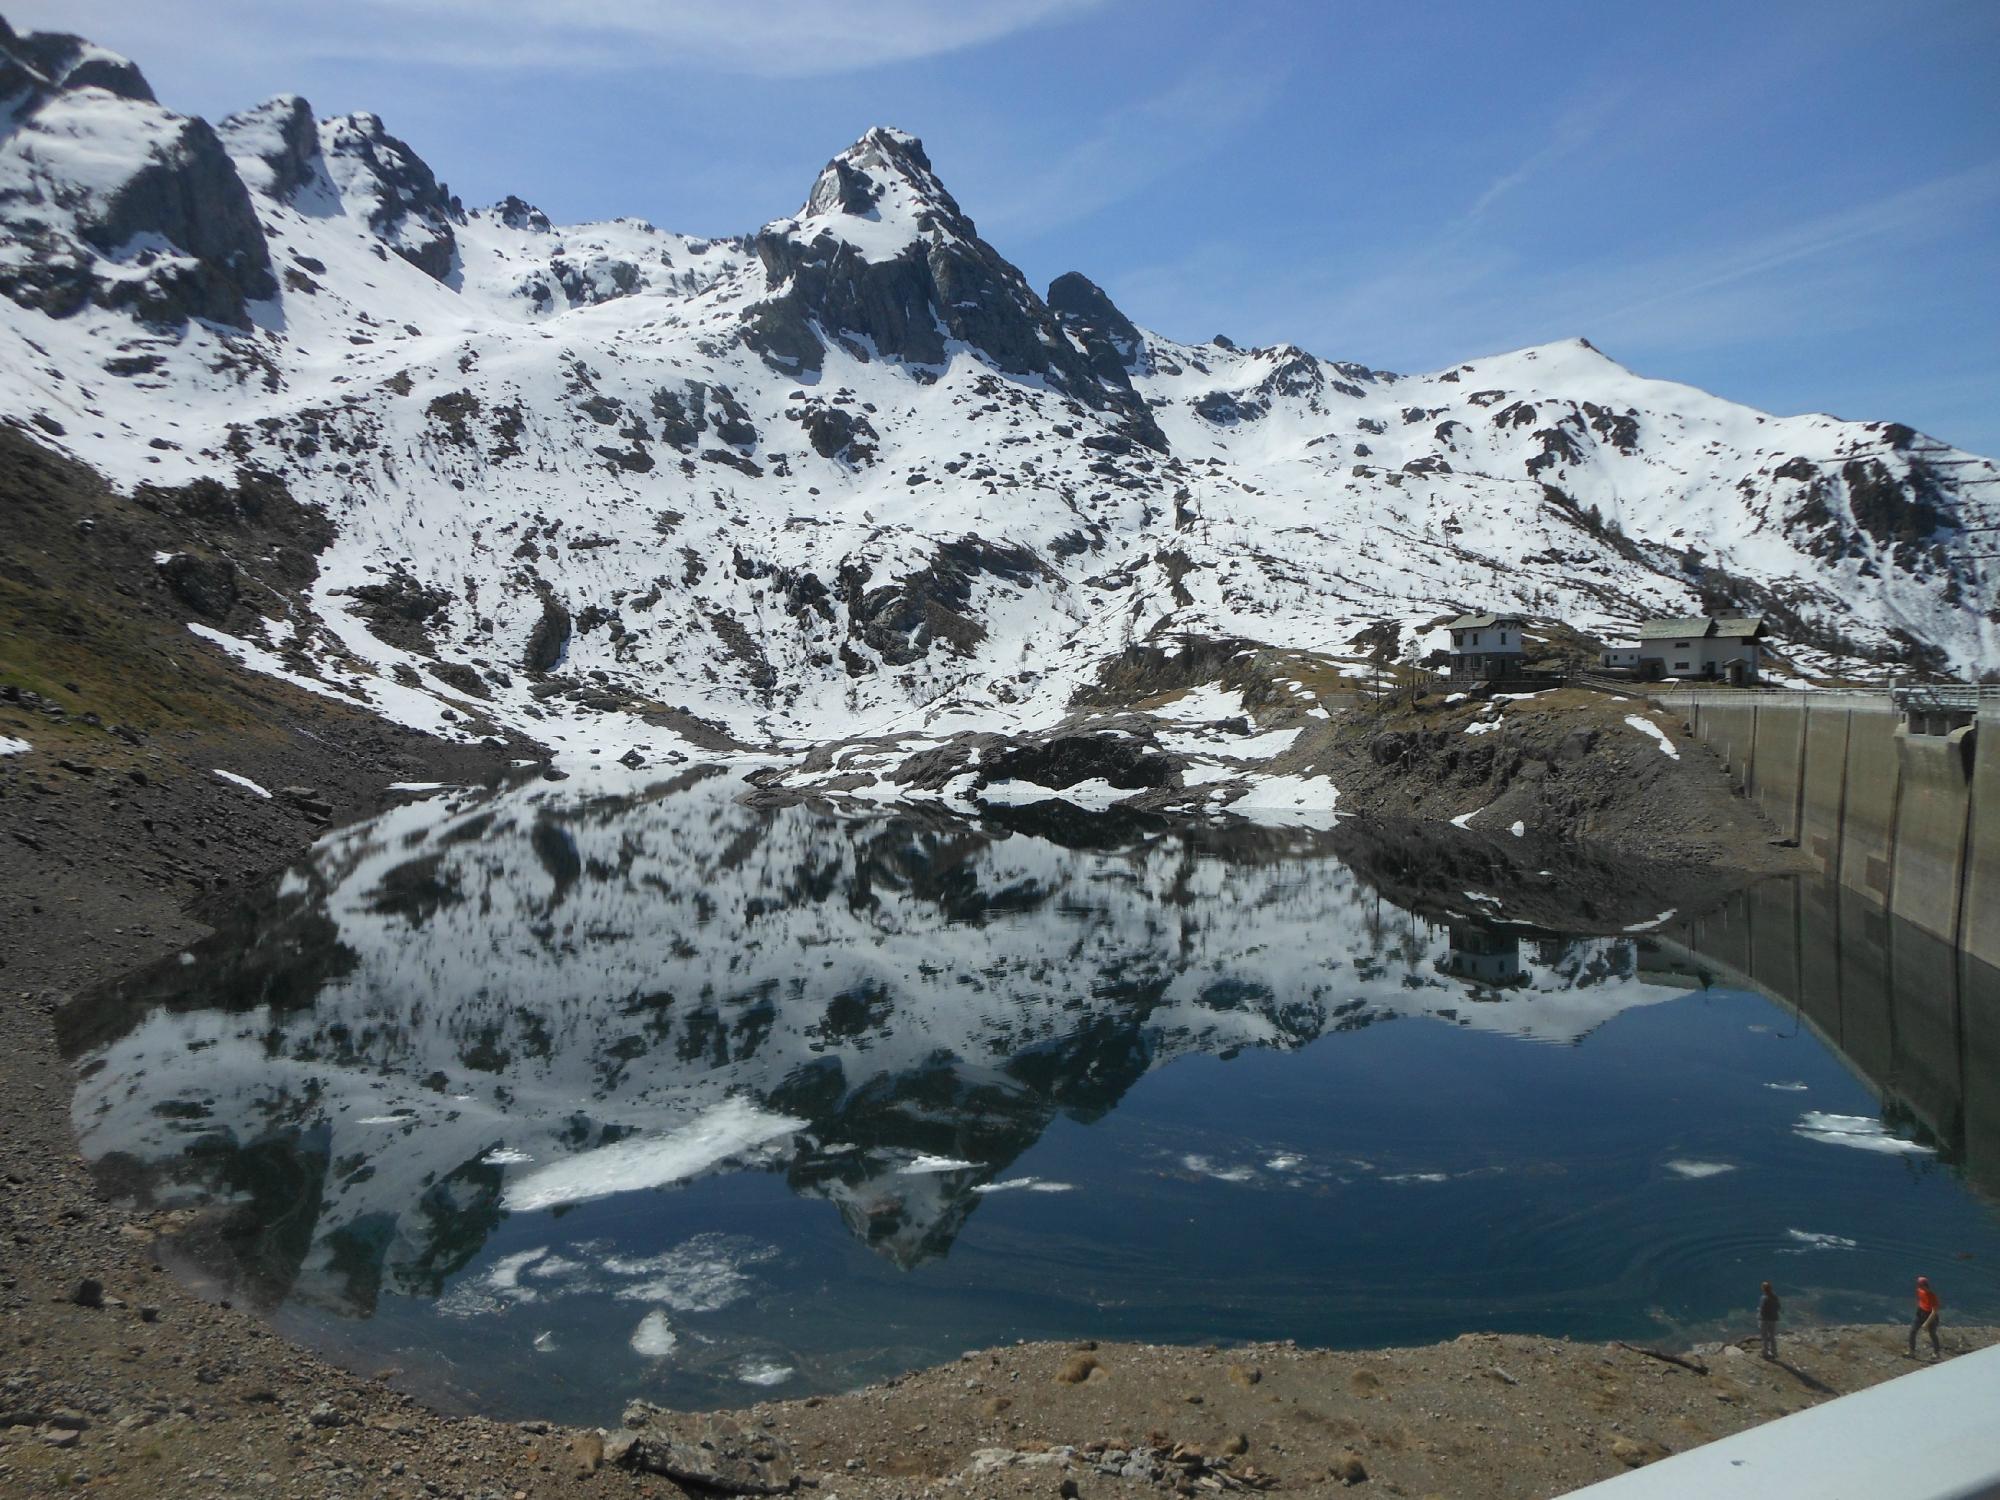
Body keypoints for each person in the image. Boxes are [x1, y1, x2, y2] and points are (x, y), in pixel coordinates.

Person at [1909, 1276, 1942, 1360]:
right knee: (1912, 1331)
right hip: (1920, 1313)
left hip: (1930, 1316)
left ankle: (1936, 1352)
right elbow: (1921, 1301)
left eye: (1920, 1284)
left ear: (1924, 1285)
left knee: (1932, 1334)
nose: (1918, 1285)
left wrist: (1926, 1323)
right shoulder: (1919, 1291)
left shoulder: (1932, 1296)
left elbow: (1934, 1311)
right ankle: (1911, 1352)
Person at [1758, 1280, 1781, 1359]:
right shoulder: (1775, 1297)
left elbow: (1762, 1309)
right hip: (1773, 1319)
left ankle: (1765, 1353)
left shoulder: (1764, 1298)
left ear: (1763, 1289)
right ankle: (1774, 1352)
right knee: (1772, 1336)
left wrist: (1760, 1315)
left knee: (1764, 1336)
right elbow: (1778, 1307)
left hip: (1765, 1319)